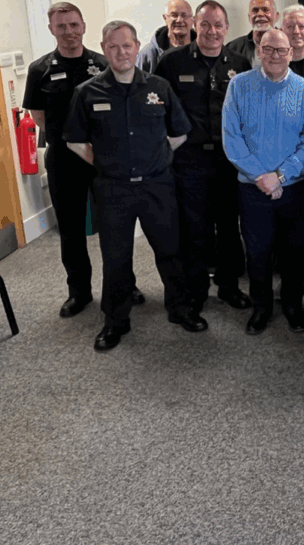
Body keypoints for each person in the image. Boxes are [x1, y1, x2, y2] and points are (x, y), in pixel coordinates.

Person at [63, 20, 203, 351]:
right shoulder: (87, 92)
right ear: (104, 48)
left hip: (158, 186)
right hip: (114, 190)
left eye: (127, 46)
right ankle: (116, 321)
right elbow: (74, 141)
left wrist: (160, 156)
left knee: (170, 251)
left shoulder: (159, 87)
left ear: (137, 47)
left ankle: (180, 309)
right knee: (116, 257)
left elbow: (181, 131)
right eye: (113, 46)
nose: (121, 52)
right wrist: (104, 163)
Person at [22, 2, 142, 318]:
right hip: (63, 160)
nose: (69, 32)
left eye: (74, 25)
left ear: (84, 26)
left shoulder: (104, 64)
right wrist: (73, 140)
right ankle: (80, 293)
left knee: (115, 227)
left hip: (103, 160)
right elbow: (38, 115)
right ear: (52, 29)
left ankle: (126, 284)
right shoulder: (39, 69)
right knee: (72, 232)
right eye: (61, 26)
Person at [154, 0, 252, 313]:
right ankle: (196, 290)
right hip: (188, 161)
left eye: (218, 25)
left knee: (228, 227)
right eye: (206, 24)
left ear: (227, 28)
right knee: (193, 229)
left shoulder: (239, 63)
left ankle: (228, 286)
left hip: (228, 161)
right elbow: (158, 110)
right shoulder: (172, 62)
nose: (212, 31)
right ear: (196, 25)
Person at [223, 29, 304, 335]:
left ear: (292, 53)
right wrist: (261, 177)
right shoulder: (239, 86)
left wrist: (280, 175)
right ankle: (261, 307)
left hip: (294, 187)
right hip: (252, 189)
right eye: (269, 49)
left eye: (281, 50)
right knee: (258, 251)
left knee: (293, 252)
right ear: (259, 51)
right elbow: (232, 137)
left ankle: (292, 305)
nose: (275, 55)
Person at [136, 0, 195, 72]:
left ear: (192, 20)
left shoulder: (203, 50)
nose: (179, 20)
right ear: (165, 18)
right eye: (174, 15)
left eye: (184, 15)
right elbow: (137, 82)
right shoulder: (149, 53)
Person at [226, 0, 279, 67]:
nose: (260, 14)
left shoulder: (289, 45)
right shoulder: (233, 48)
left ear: (277, 16)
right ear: (249, 17)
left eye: (265, 10)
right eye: (255, 10)